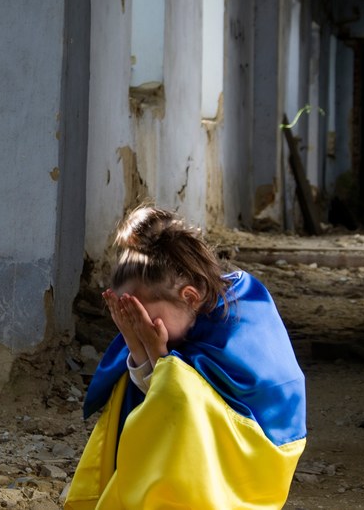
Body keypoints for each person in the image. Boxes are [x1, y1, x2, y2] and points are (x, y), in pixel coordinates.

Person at [65, 206, 307, 510]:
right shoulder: (178, 317)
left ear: (190, 297)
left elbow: (190, 403)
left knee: (179, 393)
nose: (142, 326)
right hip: (206, 441)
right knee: (137, 383)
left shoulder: (244, 309)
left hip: (259, 448)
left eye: (146, 318)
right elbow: (154, 392)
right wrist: (137, 346)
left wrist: (160, 356)